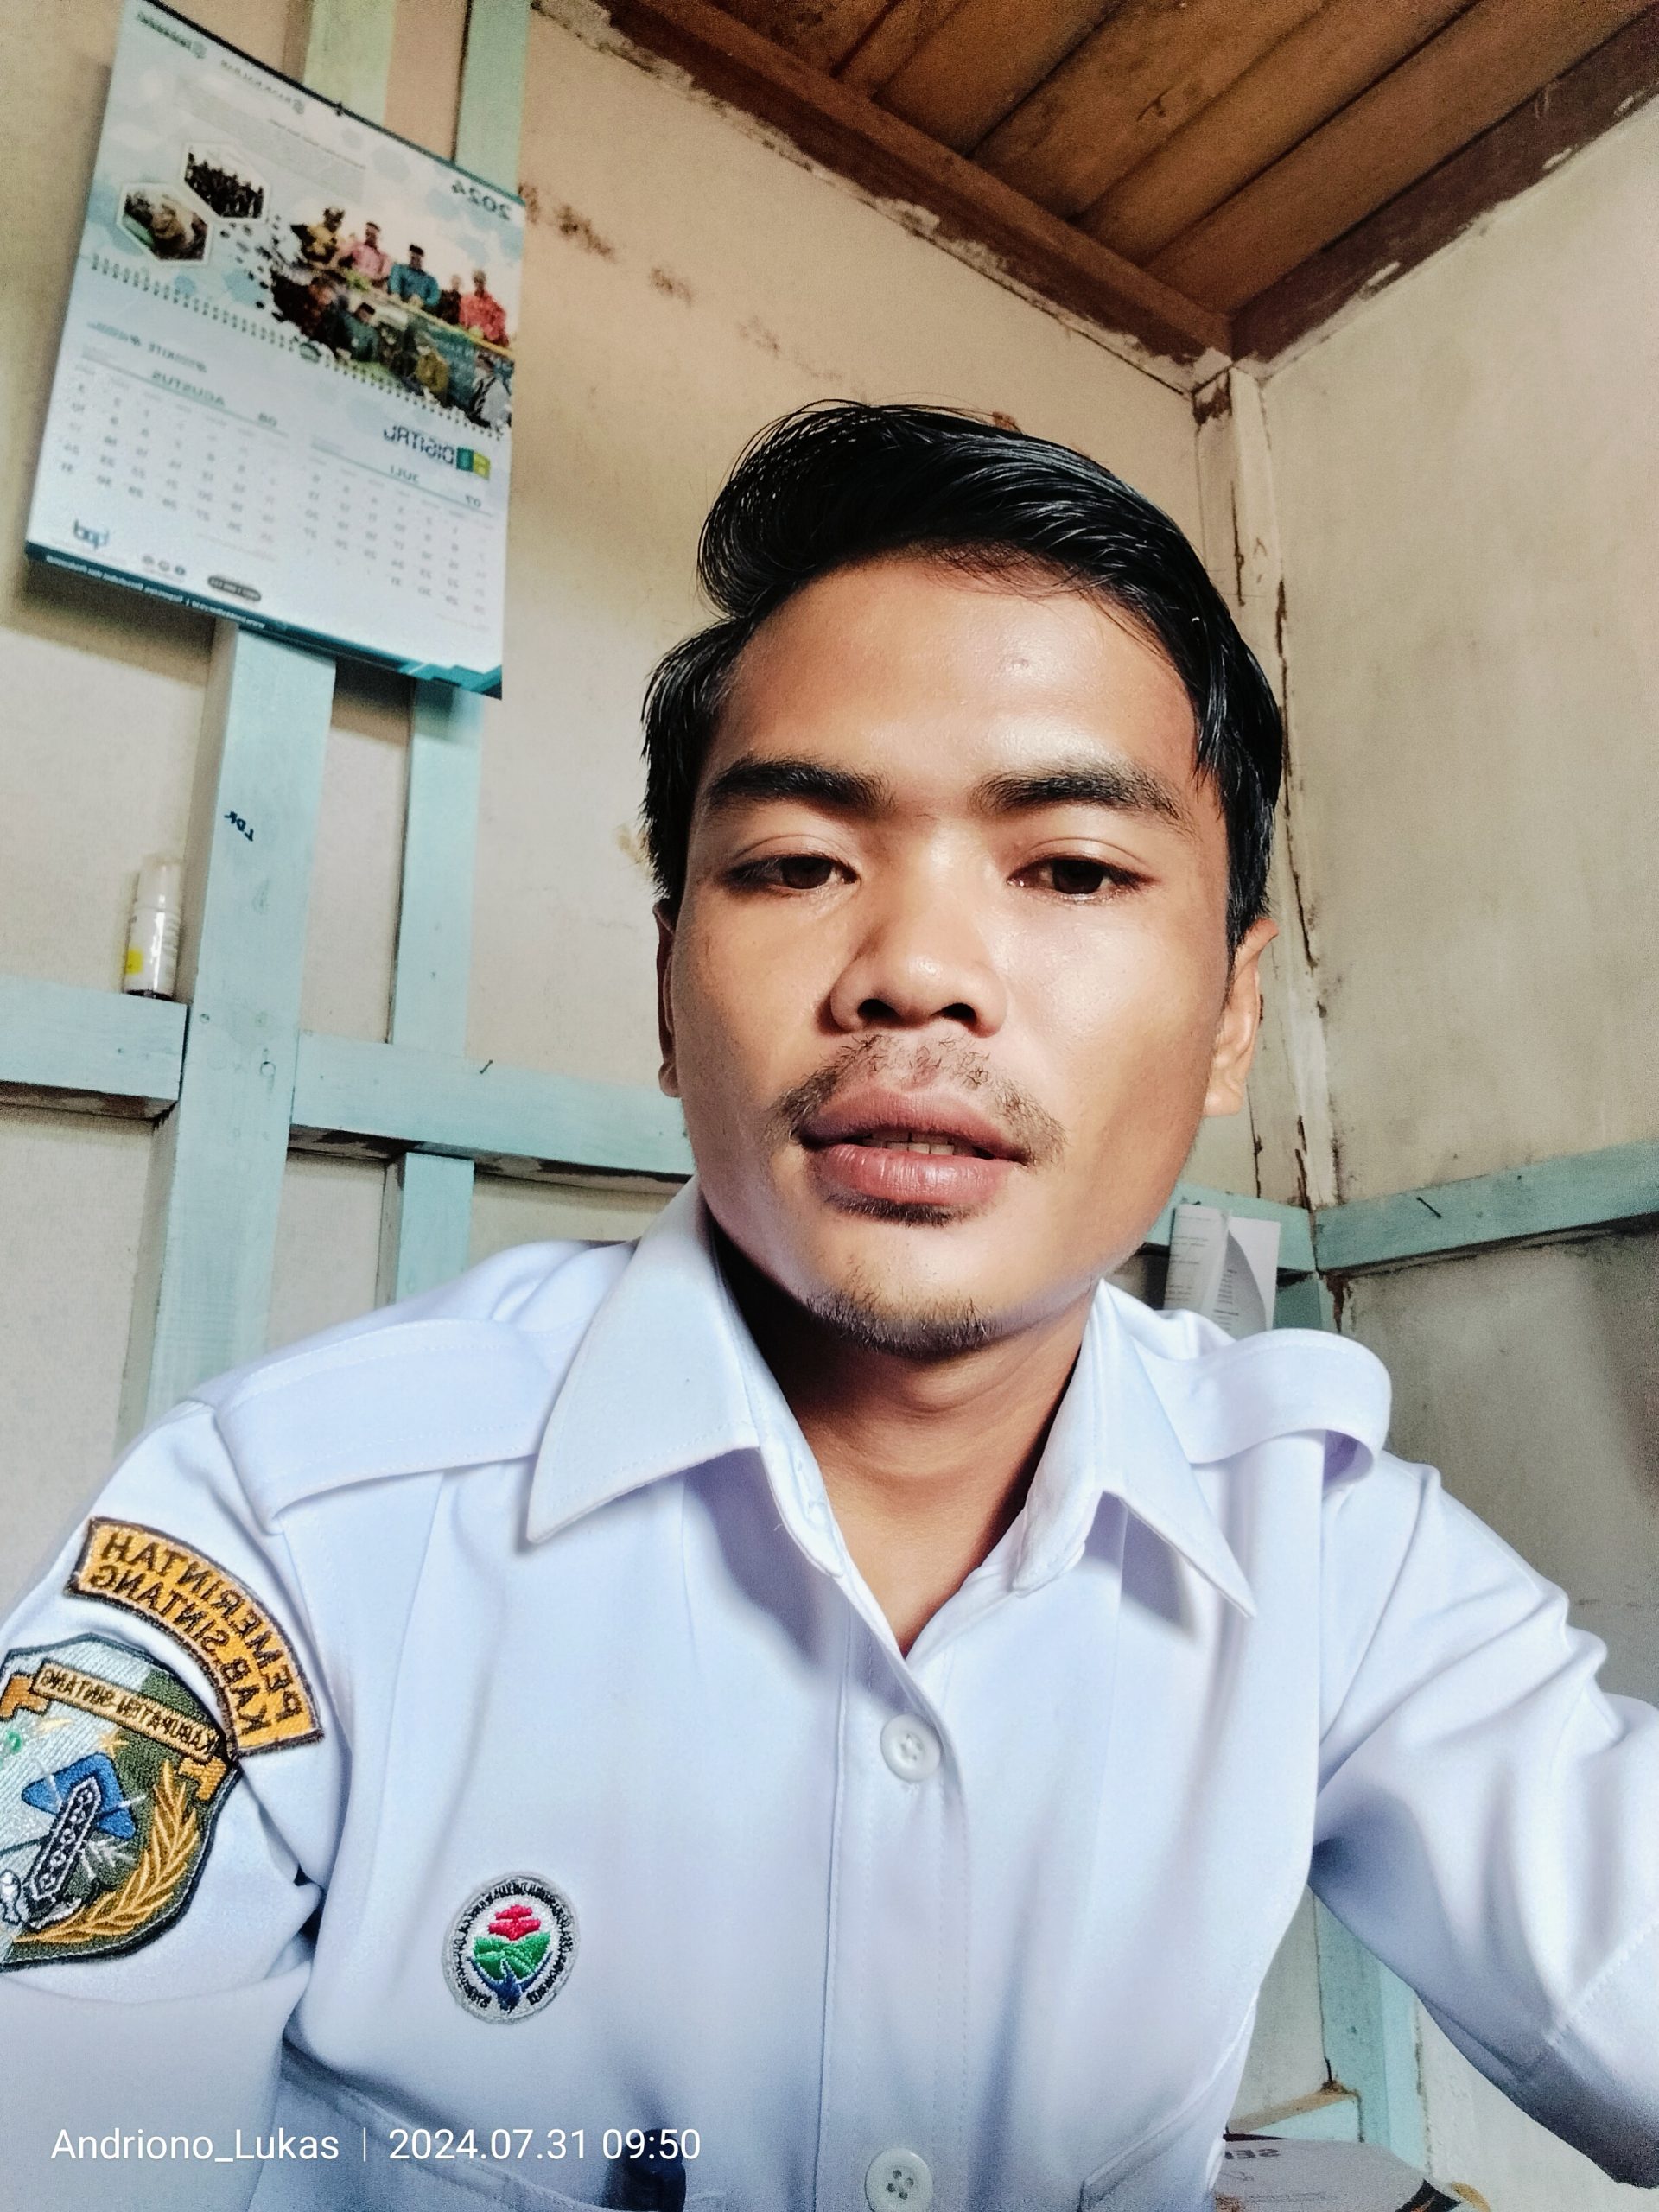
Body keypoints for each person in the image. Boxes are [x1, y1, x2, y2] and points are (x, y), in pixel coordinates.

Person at [0, 405, 1653, 2212]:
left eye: (1073, 868)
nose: (917, 972)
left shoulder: (1326, 1547)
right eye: (796, 862)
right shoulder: (289, 1530)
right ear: (668, 978)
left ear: (1234, 1011)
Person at [457, 264, 507, 346]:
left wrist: (489, 331)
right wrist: (465, 326)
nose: (478, 284)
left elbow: (501, 315)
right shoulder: (466, 299)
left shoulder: (491, 302)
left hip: (487, 340)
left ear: (484, 282)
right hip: (470, 337)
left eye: (481, 281)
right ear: (474, 282)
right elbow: (463, 318)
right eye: (476, 281)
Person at [334, 217, 390, 286]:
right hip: (349, 279)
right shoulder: (356, 245)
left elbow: (384, 275)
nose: (369, 237)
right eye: (367, 233)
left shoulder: (384, 257)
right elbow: (341, 254)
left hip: (368, 285)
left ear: (379, 236)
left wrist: (374, 278)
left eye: (373, 235)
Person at [388, 242, 440, 313]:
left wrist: (423, 302)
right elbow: (394, 282)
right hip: (395, 306)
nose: (415, 261)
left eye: (418, 259)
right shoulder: (399, 269)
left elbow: (435, 298)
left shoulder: (430, 280)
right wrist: (396, 293)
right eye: (413, 258)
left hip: (415, 312)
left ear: (422, 259)